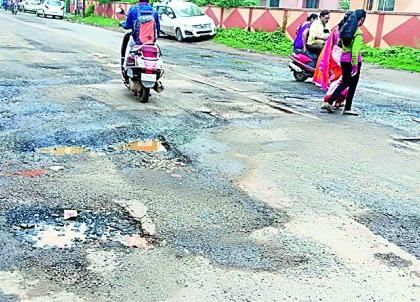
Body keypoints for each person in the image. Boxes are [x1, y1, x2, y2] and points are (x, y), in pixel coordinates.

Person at [321, 9, 366, 116]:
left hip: (343, 60)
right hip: (353, 61)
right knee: (353, 84)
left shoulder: (344, 29)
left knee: (345, 82)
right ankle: (348, 108)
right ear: (362, 19)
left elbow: (339, 43)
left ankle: (329, 101)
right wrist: (355, 65)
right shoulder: (358, 32)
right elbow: (355, 51)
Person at [314, 12, 351, 108]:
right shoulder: (348, 31)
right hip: (342, 56)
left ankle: (334, 100)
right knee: (342, 79)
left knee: (335, 78)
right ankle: (331, 99)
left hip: (333, 55)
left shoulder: (336, 29)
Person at [121, 0, 160, 71]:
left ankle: (125, 67)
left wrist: (122, 24)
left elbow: (128, 25)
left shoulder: (133, 9)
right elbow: (158, 28)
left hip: (136, 41)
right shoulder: (154, 11)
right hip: (150, 42)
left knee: (129, 47)